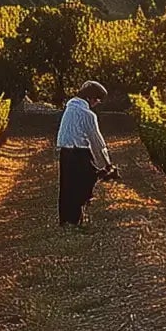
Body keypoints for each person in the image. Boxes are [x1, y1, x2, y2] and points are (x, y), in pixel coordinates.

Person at [53, 81, 110, 227]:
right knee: (84, 183)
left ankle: (66, 220)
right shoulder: (87, 115)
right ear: (90, 98)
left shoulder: (70, 108)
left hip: (65, 151)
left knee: (67, 186)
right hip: (79, 151)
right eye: (97, 99)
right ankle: (76, 219)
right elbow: (96, 141)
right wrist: (107, 164)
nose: (97, 103)